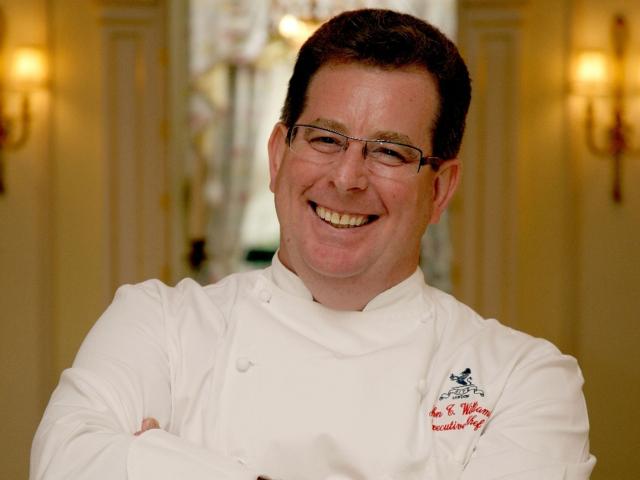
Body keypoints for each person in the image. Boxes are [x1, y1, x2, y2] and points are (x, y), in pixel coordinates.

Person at [30, 8, 595, 480]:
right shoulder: (159, 324)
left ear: (440, 189)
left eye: (389, 152)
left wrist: (160, 459)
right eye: (325, 139)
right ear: (278, 156)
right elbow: (65, 462)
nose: (347, 178)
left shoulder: (523, 379)